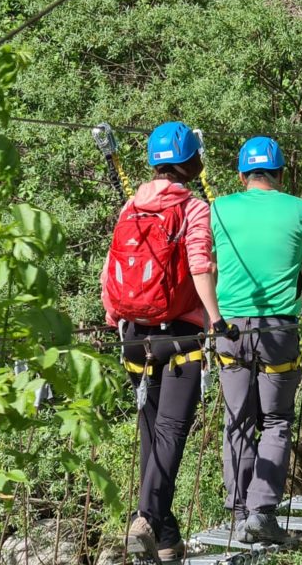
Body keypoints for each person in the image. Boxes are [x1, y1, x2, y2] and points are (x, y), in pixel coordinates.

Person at [101, 121, 239, 563]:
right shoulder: (194, 208)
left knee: (150, 431)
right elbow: (200, 264)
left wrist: (114, 315)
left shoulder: (131, 206)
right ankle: (146, 518)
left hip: (133, 336)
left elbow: (111, 264)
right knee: (171, 433)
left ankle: (164, 538)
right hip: (181, 336)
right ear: (189, 163)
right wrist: (215, 319)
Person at [211, 136, 302, 544]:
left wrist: (212, 318)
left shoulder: (219, 208)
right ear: (280, 174)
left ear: (242, 175)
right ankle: (261, 512)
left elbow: (207, 267)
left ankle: (236, 514)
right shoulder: (300, 210)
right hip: (278, 329)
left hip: (229, 328)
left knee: (238, 420)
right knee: (276, 420)